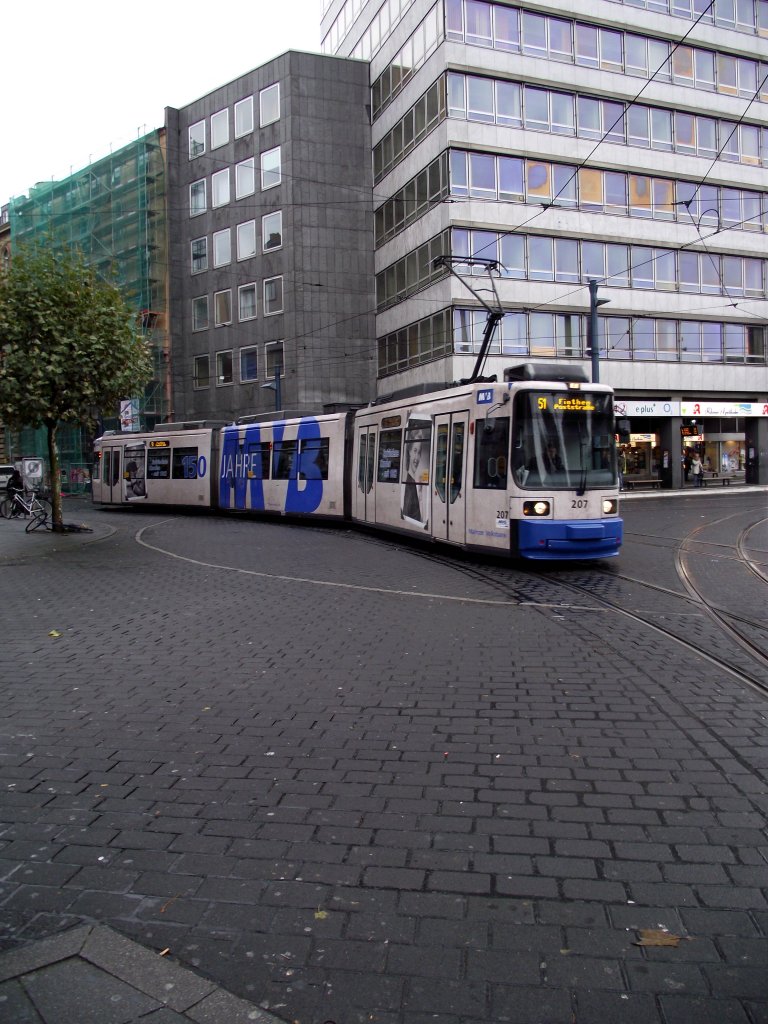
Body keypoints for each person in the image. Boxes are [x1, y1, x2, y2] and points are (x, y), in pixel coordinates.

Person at [402, 433, 426, 524]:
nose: (417, 457)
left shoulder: (413, 481)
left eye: (419, 452)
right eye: (415, 451)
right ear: (409, 452)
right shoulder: (409, 484)